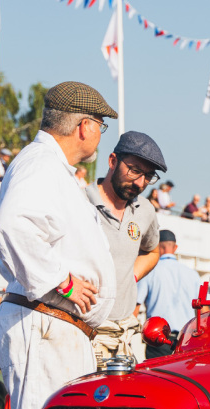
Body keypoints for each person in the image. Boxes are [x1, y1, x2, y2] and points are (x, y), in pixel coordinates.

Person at [0, 80, 118, 409]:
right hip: (44, 317)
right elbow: (11, 225)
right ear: (83, 126)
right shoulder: (41, 163)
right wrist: (61, 281)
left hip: (54, 321)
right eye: (99, 125)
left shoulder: (49, 167)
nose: (99, 134)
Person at [86, 130, 164, 364]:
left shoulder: (145, 210)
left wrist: (131, 276)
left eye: (148, 176)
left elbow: (152, 251)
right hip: (83, 335)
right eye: (134, 170)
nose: (140, 182)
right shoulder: (80, 202)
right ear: (112, 161)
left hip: (123, 337)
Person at [136, 230, 201, 358]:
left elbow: (135, 306)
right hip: (187, 340)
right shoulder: (193, 274)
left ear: (157, 247)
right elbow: (203, 309)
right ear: (175, 248)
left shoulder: (150, 271)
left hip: (158, 339)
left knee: (157, 372)